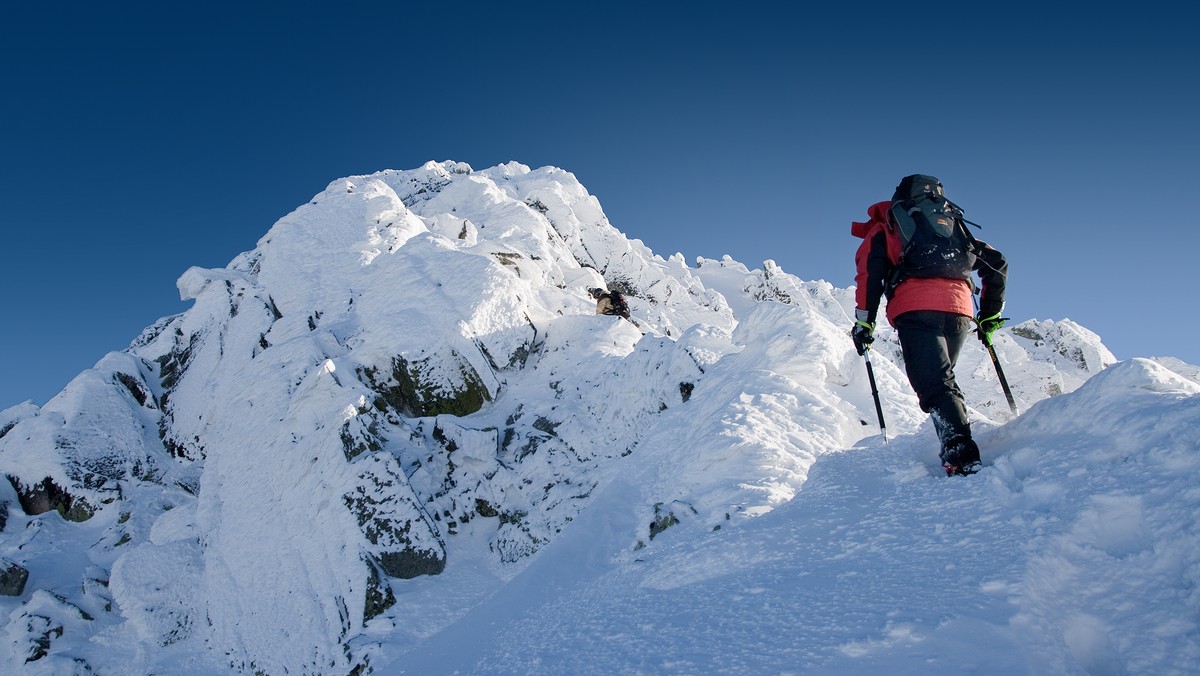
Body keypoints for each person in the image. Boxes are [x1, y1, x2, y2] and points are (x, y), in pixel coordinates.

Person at [850, 175, 1008, 476]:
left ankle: (961, 457)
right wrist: (988, 315)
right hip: (960, 312)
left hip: (917, 310)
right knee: (941, 382)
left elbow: (869, 278)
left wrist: (864, 323)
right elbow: (997, 264)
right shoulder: (954, 228)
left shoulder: (889, 228)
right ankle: (956, 447)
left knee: (935, 386)